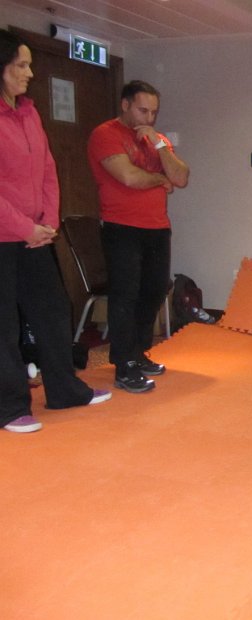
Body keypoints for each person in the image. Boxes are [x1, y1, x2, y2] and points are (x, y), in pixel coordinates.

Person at [0, 29, 110, 433]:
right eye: (21, 65)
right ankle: (9, 407)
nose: (29, 73)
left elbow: (48, 169)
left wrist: (48, 221)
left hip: (35, 236)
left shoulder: (29, 112)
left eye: (30, 65)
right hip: (5, 236)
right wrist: (23, 226)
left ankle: (64, 390)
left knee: (52, 310)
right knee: (5, 326)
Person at [88, 80, 190, 394]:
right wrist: (160, 178)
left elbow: (181, 177)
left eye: (154, 112)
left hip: (156, 227)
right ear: (125, 105)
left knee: (154, 290)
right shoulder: (105, 134)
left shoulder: (156, 140)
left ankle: (138, 352)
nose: (149, 117)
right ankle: (124, 364)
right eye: (143, 110)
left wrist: (159, 146)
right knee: (125, 295)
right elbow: (129, 177)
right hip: (122, 228)